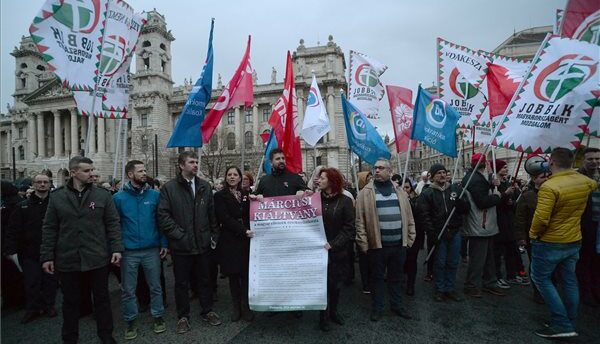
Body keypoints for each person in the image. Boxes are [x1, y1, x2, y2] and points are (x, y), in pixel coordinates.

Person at [40, 156, 123, 344]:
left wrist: (116, 248)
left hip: (97, 257)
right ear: (73, 173)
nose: (92, 173)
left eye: (92, 170)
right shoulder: (57, 196)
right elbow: (49, 228)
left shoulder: (102, 195)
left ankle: (106, 336)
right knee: (70, 304)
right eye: (87, 170)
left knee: (102, 300)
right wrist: (46, 257)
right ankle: (70, 339)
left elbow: (112, 223)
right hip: (68, 259)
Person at [530, 147, 597, 338]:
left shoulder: (550, 187)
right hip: (574, 239)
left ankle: (561, 324)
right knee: (569, 280)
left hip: (550, 241)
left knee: (541, 279)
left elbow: (541, 219)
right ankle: (570, 321)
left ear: (551, 162)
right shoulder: (586, 182)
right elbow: (592, 185)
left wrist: (533, 235)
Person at [157, 151, 221, 333]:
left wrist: (213, 235)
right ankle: (183, 316)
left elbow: (212, 214)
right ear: (181, 165)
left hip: (202, 244)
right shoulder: (169, 188)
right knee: (181, 283)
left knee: (205, 279)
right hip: (181, 246)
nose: (195, 165)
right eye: (191, 162)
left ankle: (207, 310)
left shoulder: (204, 186)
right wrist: (180, 235)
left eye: (196, 162)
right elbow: (163, 216)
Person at [112, 161, 168, 339]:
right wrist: (117, 249)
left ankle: (158, 316)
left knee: (155, 287)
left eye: (145, 170)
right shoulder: (118, 198)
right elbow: (115, 226)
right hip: (128, 252)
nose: (145, 173)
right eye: (140, 171)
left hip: (152, 250)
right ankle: (131, 321)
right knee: (128, 290)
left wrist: (164, 244)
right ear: (130, 174)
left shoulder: (154, 196)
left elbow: (161, 222)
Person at [355, 158, 416, 322]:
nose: (376, 171)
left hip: (398, 245)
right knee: (377, 279)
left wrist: (409, 240)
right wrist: (364, 244)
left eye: (381, 168)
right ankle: (378, 308)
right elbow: (359, 221)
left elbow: (409, 217)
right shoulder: (365, 193)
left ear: (390, 171)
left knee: (396, 278)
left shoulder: (400, 191)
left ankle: (397, 306)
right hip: (377, 246)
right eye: (375, 168)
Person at [252, 148, 309, 319]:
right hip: (271, 237)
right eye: (277, 158)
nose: (281, 160)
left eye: (283, 158)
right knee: (274, 272)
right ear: (271, 162)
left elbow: (310, 198)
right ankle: (274, 304)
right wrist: (256, 197)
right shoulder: (264, 181)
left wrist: (304, 192)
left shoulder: (295, 178)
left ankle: (295, 304)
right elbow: (254, 199)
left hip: (292, 236)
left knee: (293, 272)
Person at [5, 174, 58, 323]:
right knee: (31, 282)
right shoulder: (22, 205)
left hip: (52, 251)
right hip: (29, 252)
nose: (42, 184)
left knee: (50, 281)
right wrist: (10, 249)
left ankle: (49, 305)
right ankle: (33, 308)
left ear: (49, 184)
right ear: (33, 185)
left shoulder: (55, 204)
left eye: (45, 182)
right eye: (39, 182)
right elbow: (13, 229)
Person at [419, 164, 470, 302]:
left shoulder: (455, 189)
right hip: (439, 234)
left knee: (453, 262)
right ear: (432, 176)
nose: (442, 175)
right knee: (440, 263)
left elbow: (466, 208)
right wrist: (431, 233)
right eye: (438, 173)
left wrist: (462, 205)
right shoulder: (427, 193)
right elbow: (424, 215)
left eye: (444, 172)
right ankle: (440, 289)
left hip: (454, 232)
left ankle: (450, 288)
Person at [317, 167, 355, 331]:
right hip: (318, 252)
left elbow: (349, 228)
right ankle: (322, 317)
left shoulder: (345, 201)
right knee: (321, 286)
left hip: (337, 252)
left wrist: (333, 244)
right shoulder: (315, 199)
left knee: (335, 286)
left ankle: (334, 312)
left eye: (322, 178)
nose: (319, 180)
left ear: (332, 181)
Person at [214, 166, 254, 322]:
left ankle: (246, 306)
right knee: (233, 275)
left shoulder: (246, 194)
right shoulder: (219, 196)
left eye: (235, 175)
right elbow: (224, 218)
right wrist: (243, 230)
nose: (232, 177)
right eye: (229, 174)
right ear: (226, 177)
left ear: (239, 178)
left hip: (245, 240)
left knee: (245, 275)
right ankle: (236, 307)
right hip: (230, 239)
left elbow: (250, 213)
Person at [462, 153, 504, 298]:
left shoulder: (474, 177)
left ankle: (489, 282)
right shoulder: (476, 180)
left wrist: (492, 183)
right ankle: (472, 285)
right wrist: (497, 197)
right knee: (478, 258)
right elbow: (482, 202)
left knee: (487, 257)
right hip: (480, 224)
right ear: (485, 164)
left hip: (482, 224)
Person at [515, 165, 549, 304]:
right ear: (535, 179)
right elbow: (520, 219)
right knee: (535, 265)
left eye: (548, 176)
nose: (547, 179)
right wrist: (521, 238)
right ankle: (538, 292)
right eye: (543, 177)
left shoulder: (555, 192)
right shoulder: (527, 196)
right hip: (533, 237)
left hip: (552, 237)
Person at [493, 159, 526, 288]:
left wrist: (517, 192)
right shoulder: (495, 184)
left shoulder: (508, 182)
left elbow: (514, 203)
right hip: (498, 221)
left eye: (507, 167)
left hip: (509, 221)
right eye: (503, 167)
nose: (506, 169)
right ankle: (497, 276)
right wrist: (505, 195)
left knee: (511, 250)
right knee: (498, 252)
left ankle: (511, 274)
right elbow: (495, 203)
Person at [576, 147, 600, 306]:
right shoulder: (577, 177)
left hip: (599, 225)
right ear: (583, 160)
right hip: (585, 224)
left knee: (597, 261)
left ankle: (596, 291)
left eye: (597, 159)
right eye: (590, 159)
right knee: (585, 259)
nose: (594, 162)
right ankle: (586, 292)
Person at [401, 180, 424, 296]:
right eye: (403, 188)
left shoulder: (416, 200)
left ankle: (411, 285)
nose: (405, 190)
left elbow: (419, 217)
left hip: (413, 236)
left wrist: (408, 202)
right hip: (399, 237)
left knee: (412, 261)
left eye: (407, 187)